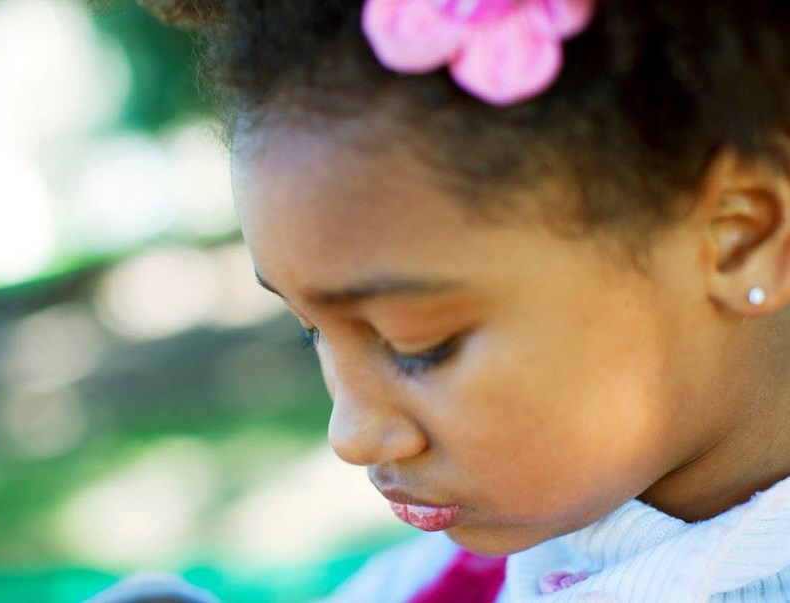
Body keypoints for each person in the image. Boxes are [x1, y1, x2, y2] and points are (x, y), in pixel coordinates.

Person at [113, 0, 790, 600]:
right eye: (309, 332)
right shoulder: (445, 578)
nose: (349, 436)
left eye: (418, 344)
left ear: (737, 239)